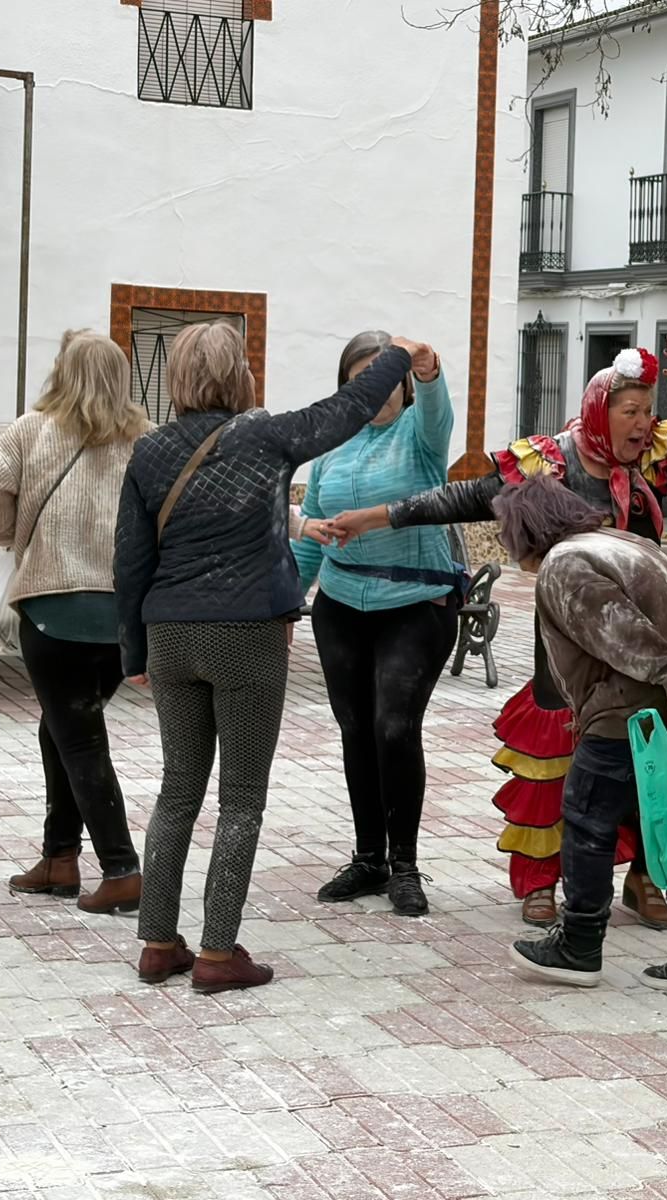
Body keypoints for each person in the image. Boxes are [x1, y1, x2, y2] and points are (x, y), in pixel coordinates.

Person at [329, 339, 667, 928]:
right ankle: (542, 879)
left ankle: (646, 877)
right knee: (560, 761)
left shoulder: (656, 458)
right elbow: (459, 499)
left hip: (651, 641)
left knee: (653, 760)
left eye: (648, 410)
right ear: (602, 408)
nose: (642, 422)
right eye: (629, 410)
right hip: (571, 647)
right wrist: (374, 518)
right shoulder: (550, 462)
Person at [114, 321, 438, 994]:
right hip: (246, 635)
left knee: (177, 793)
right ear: (240, 375)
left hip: (170, 634)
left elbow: (131, 560)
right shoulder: (265, 435)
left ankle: (155, 942)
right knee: (239, 802)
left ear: (176, 379)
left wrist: (132, 650)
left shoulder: (147, 452)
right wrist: (399, 357)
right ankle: (215, 952)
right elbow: (346, 410)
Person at [492, 473, 667, 995]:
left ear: (528, 530)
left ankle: (579, 946)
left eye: (507, 531)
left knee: (587, 819)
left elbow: (618, 625)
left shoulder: (564, 565)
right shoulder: (620, 540)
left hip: (642, 709)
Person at [0, 330, 150, 914]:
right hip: (122, 620)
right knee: (62, 730)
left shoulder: (32, 429)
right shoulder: (146, 441)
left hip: (55, 614)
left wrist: (19, 538)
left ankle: (121, 869)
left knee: (80, 738)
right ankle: (59, 858)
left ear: (62, 372)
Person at [289, 331, 458, 917]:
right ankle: (368, 859)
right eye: (364, 378)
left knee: (393, 726)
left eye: (388, 375)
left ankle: (405, 865)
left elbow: (438, 409)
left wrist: (429, 367)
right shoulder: (330, 450)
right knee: (356, 729)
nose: (378, 388)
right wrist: (287, 600)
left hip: (415, 605)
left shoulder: (420, 437)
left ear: (404, 384)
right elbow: (312, 531)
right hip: (340, 606)